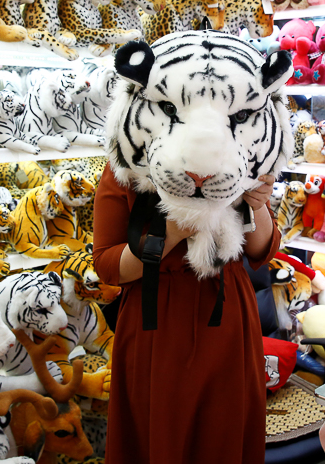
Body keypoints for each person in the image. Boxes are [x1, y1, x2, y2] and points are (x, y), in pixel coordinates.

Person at [92, 165, 280, 464]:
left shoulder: (235, 149)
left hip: (228, 313)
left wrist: (257, 204)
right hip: (158, 320)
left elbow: (261, 250)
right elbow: (108, 265)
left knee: (225, 433)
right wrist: (170, 233)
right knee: (158, 433)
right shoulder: (130, 158)